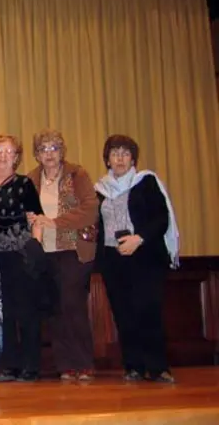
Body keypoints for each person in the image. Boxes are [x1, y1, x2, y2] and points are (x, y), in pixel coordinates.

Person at [94, 134, 179, 383]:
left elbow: (161, 219)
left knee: (147, 310)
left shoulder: (147, 182)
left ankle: (158, 367)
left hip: (145, 257)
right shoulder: (99, 190)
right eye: (114, 153)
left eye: (125, 153)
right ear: (107, 160)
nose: (120, 158)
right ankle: (133, 366)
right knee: (124, 314)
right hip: (113, 259)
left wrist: (138, 238)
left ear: (133, 159)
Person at [26, 129, 99, 381]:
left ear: (62, 151)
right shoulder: (31, 179)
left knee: (72, 304)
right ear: (36, 154)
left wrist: (56, 222)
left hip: (72, 250)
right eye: (43, 149)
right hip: (44, 252)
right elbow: (25, 212)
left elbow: (90, 210)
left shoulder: (77, 174)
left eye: (54, 148)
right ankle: (66, 365)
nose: (49, 154)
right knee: (54, 308)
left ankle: (84, 362)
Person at [0, 135, 44, 382]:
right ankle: (10, 364)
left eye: (9, 151)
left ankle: (30, 364)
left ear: (16, 157)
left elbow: (36, 217)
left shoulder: (24, 184)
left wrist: (34, 247)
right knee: (3, 312)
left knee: (25, 310)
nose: (3, 156)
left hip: (19, 252)